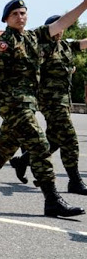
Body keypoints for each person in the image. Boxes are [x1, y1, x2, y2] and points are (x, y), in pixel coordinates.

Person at [0, 0, 87, 218]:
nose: (20, 17)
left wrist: (84, 5)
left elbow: (62, 23)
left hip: (29, 102)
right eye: (15, 14)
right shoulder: (3, 42)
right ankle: (52, 201)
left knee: (6, 147)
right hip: (13, 103)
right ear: (6, 19)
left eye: (23, 13)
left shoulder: (34, 37)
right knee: (39, 145)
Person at [7, 15, 87, 195]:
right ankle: (74, 181)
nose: (60, 31)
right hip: (50, 102)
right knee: (70, 139)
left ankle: (23, 161)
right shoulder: (40, 48)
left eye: (62, 28)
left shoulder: (66, 46)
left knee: (54, 139)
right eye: (57, 27)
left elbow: (82, 43)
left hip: (64, 102)